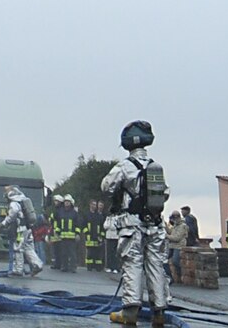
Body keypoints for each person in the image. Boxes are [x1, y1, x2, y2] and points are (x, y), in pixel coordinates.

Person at [101, 119, 169, 328]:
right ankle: (159, 313)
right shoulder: (155, 167)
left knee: (132, 265)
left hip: (132, 226)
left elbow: (106, 187)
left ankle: (130, 312)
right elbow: (165, 193)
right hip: (155, 226)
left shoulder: (124, 166)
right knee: (157, 266)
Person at [3, 185, 45, 276]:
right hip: (28, 229)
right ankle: (37, 265)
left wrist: (3, 224)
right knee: (28, 248)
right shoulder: (23, 200)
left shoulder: (14, 203)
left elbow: (12, 215)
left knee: (18, 248)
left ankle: (18, 270)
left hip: (20, 230)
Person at [83, 198, 106, 271]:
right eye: (93, 204)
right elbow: (83, 225)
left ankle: (98, 267)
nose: (94, 206)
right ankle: (89, 266)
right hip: (89, 237)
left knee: (97, 253)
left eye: (95, 205)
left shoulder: (99, 216)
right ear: (90, 205)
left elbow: (102, 227)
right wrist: (87, 233)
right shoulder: (86, 215)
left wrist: (101, 236)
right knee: (90, 253)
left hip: (97, 237)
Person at [164, 211, 188, 280]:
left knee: (175, 261)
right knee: (164, 259)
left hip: (178, 246)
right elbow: (171, 233)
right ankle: (169, 276)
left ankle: (180, 275)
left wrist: (167, 236)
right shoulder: (175, 225)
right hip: (172, 245)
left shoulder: (182, 226)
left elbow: (177, 238)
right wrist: (165, 226)